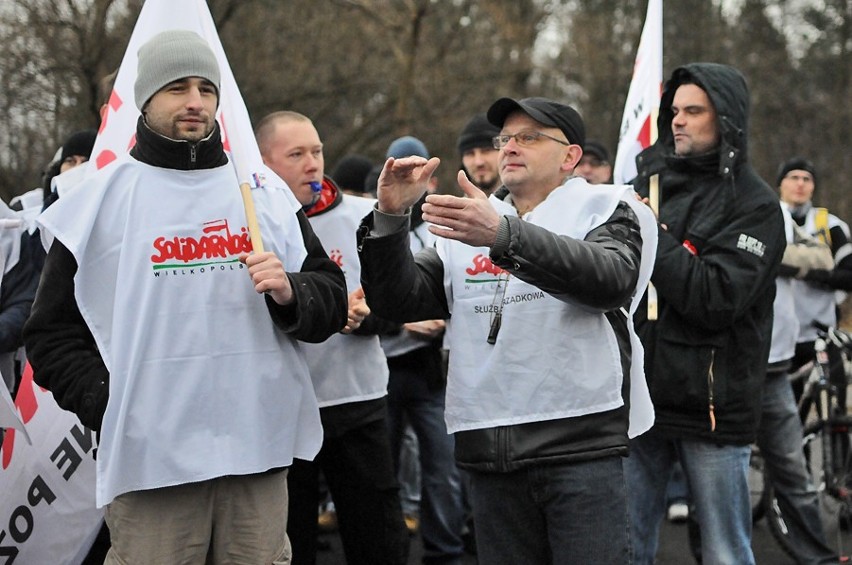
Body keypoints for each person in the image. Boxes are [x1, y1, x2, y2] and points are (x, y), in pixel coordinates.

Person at [23, 30, 348, 564]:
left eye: (205, 87)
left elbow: (329, 301)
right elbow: (50, 333)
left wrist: (294, 292)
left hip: (258, 453)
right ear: (145, 99)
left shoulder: (262, 191)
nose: (195, 101)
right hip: (153, 465)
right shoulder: (97, 200)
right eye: (177, 87)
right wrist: (110, 404)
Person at [357, 96, 657, 564]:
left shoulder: (607, 208)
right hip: (490, 449)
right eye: (506, 139)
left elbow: (609, 281)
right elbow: (398, 299)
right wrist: (391, 218)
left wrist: (504, 236)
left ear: (570, 156)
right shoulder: (473, 224)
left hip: (578, 448)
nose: (510, 148)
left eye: (529, 137)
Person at [625, 63, 786, 565]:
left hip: (713, 408)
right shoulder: (648, 186)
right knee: (625, 549)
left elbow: (716, 299)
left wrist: (653, 234)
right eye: (675, 111)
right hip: (641, 400)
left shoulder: (756, 206)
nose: (678, 121)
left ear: (728, 119)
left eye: (694, 111)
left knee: (724, 553)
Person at [255, 110, 409, 565]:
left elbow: (398, 308)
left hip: (357, 402)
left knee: (376, 538)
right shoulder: (252, 226)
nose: (312, 164)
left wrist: (367, 316)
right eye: (296, 154)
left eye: (317, 151)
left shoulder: (365, 217)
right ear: (263, 163)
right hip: (285, 409)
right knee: (291, 541)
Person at [381, 135, 467, 564]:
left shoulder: (440, 230)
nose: (416, 182)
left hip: (430, 372)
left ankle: (444, 552)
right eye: (404, 171)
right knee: (384, 474)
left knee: (442, 471)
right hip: (383, 371)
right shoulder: (377, 224)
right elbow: (363, 303)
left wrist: (441, 317)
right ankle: (389, 550)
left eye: (422, 175)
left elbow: (461, 292)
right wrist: (403, 319)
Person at [757, 205, 837, 564]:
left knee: (795, 474)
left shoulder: (781, 215)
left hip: (779, 360)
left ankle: (817, 557)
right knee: (720, 473)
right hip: (735, 363)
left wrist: (777, 257)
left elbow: (824, 259)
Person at [777, 157, 852, 388]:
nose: (800, 184)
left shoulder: (831, 225)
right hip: (777, 338)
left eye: (806, 179)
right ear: (781, 184)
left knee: (833, 415)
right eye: (793, 177)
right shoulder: (769, 219)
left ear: (813, 186)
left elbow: (849, 277)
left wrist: (805, 271)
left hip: (820, 335)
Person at [456, 113, 501, 195]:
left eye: (486, 151)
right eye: (470, 154)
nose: (478, 162)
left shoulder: (528, 206)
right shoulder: (456, 207)